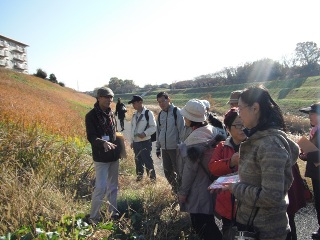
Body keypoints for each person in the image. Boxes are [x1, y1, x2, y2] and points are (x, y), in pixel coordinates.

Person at [224, 85, 299, 240]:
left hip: (266, 231)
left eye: (240, 109)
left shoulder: (269, 145)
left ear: (255, 108)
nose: (239, 114)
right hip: (253, 226)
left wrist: (236, 188)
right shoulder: (259, 140)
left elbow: (272, 196)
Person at [178, 99, 222, 240]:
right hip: (213, 183)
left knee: (201, 225)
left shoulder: (194, 139)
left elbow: (189, 171)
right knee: (209, 220)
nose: (184, 118)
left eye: (185, 116)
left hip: (198, 188)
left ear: (191, 118)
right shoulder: (213, 130)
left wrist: (183, 192)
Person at [208, 108, 246, 238]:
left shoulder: (254, 146)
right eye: (238, 125)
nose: (243, 128)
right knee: (229, 233)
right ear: (228, 128)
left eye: (245, 124)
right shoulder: (222, 147)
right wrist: (230, 162)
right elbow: (213, 167)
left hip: (247, 205)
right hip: (227, 206)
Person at [85, 87, 120, 224]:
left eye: (111, 97)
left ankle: (113, 213)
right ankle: (94, 217)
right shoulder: (91, 116)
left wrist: (120, 148)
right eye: (106, 97)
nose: (109, 100)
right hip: (101, 157)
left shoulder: (111, 113)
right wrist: (102, 143)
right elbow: (91, 137)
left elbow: (114, 133)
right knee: (100, 187)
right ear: (98, 98)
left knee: (113, 186)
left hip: (113, 156)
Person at [156, 91, 188, 193]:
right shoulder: (160, 114)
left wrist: (180, 145)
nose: (161, 104)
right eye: (159, 102)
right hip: (164, 148)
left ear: (168, 99)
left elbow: (182, 130)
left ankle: (181, 192)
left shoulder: (176, 112)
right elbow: (158, 131)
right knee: (167, 172)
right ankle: (175, 189)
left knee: (179, 171)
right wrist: (157, 147)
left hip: (175, 148)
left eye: (163, 101)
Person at [299, 102, 320, 239]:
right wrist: (304, 156)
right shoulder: (315, 131)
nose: (310, 117)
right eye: (309, 114)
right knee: (318, 201)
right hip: (316, 173)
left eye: (313, 114)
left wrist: (308, 154)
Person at [128, 95, 157, 182]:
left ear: (140, 102)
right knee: (138, 161)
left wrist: (145, 133)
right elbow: (132, 128)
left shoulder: (148, 113)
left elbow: (153, 127)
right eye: (132, 103)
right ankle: (140, 178)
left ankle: (152, 180)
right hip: (136, 142)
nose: (133, 105)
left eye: (134, 103)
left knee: (148, 161)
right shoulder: (134, 115)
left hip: (145, 141)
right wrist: (132, 141)